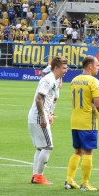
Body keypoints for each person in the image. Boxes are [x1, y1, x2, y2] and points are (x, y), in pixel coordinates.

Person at [65, 55, 99, 190]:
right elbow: (98, 104)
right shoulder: (93, 81)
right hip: (88, 122)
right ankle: (85, 183)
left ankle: (69, 180)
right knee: (88, 152)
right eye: (96, 65)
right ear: (89, 66)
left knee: (77, 151)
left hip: (75, 121)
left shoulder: (74, 80)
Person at [28, 56, 68, 185]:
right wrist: (43, 117)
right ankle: (39, 176)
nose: (66, 70)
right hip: (39, 116)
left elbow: (49, 100)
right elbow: (39, 99)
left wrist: (50, 113)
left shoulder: (54, 80)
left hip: (40, 115)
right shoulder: (48, 80)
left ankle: (35, 176)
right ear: (56, 68)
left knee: (41, 147)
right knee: (48, 146)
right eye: (64, 68)